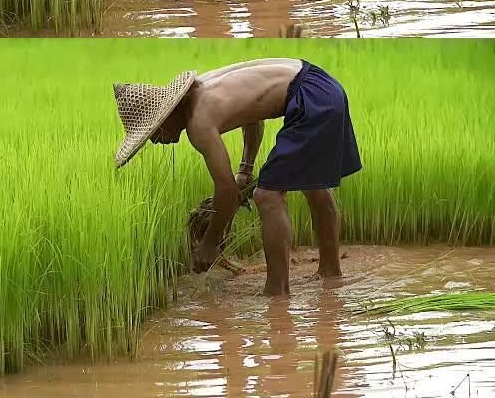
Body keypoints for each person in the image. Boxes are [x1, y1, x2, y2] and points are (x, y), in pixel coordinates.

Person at [112, 58, 360, 296]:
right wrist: (245, 169)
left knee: (267, 195)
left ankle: (277, 292)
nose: (155, 141)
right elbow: (253, 115)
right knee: (311, 182)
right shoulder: (204, 87)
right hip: (320, 83)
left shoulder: (198, 123)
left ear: (163, 118)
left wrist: (210, 243)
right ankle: (330, 273)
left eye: (151, 134)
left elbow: (227, 191)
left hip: (310, 97)